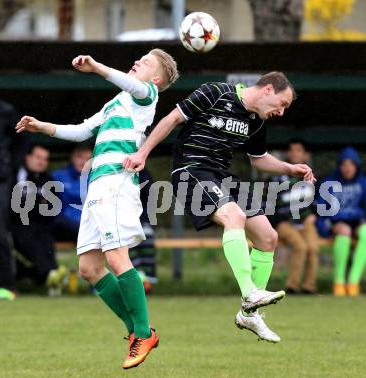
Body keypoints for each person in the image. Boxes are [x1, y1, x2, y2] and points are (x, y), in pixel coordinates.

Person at [124, 72, 315, 343]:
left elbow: (258, 158)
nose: (281, 112)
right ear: (268, 89)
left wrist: (289, 168)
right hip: (191, 170)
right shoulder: (215, 92)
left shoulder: (256, 121)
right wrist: (142, 153)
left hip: (221, 177)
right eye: (281, 103)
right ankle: (249, 291)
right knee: (233, 216)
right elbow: (172, 119)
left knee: (267, 237)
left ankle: (250, 314)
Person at [16, 50, 178, 369]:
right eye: (140, 58)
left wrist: (95, 67)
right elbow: (80, 131)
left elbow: (125, 81)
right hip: (97, 186)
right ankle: (138, 332)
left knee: (118, 259)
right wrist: (41, 126)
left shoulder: (147, 95)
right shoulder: (116, 102)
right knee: (89, 269)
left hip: (116, 184)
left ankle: (142, 334)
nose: (137, 62)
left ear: (156, 79)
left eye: (145, 63)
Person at [0, 71, 28, 301]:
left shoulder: (6, 112)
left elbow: (22, 141)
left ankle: (6, 285)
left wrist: (11, 166)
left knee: (1, 234)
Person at [12, 144, 66, 293]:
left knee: (47, 242)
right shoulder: (16, 174)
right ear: (28, 157)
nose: (42, 162)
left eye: (45, 159)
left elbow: (52, 206)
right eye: (38, 157)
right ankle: (51, 274)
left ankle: (50, 274)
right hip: (16, 225)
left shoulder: (48, 179)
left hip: (40, 225)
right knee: (30, 241)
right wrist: (38, 200)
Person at [270, 139, 319, 294]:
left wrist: (313, 214)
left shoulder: (310, 177)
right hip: (284, 222)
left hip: (305, 221)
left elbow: (318, 201)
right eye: (292, 150)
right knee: (301, 246)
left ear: (305, 155)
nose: (294, 153)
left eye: (298, 150)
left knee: (313, 248)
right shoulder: (279, 176)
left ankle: (308, 288)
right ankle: (291, 287)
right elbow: (274, 204)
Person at [316, 147, 366, 297]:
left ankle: (353, 281)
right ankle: (339, 282)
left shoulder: (363, 182)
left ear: (356, 165)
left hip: (357, 221)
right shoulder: (329, 183)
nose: (347, 168)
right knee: (344, 231)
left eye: (351, 164)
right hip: (336, 223)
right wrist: (325, 227)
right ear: (339, 166)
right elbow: (322, 210)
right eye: (344, 164)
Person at [51, 144, 92, 242]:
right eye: (79, 156)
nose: (83, 161)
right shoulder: (57, 176)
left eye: (88, 158)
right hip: (64, 224)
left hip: (89, 222)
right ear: (72, 157)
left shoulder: (96, 178)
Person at [129, 168, 158, 292]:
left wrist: (144, 221)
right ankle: (138, 278)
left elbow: (149, 203)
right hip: (120, 222)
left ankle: (149, 279)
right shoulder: (112, 171)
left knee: (147, 237)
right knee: (128, 240)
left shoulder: (143, 174)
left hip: (141, 220)